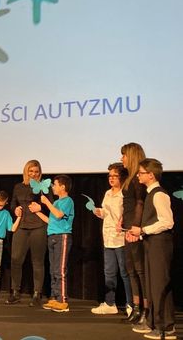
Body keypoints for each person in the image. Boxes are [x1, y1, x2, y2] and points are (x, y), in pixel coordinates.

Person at [130, 159, 175, 339]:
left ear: (151, 175)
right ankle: (154, 322)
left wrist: (143, 230)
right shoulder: (150, 194)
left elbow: (167, 222)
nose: (138, 175)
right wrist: (140, 233)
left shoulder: (159, 194)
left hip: (160, 245)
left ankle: (166, 327)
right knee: (151, 285)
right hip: (151, 243)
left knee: (159, 285)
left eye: (141, 172)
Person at [6, 159, 50, 306]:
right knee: (15, 259)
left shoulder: (43, 188)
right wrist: (15, 209)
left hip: (38, 226)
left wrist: (40, 208)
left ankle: (37, 294)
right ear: (26, 171)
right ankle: (15, 292)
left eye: (36, 172)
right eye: (31, 171)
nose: (33, 174)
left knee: (37, 261)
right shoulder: (18, 187)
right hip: (22, 227)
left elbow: (51, 205)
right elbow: (13, 203)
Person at [91, 163, 133, 315]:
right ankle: (110, 303)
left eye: (115, 176)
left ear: (122, 177)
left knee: (124, 272)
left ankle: (131, 304)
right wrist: (99, 212)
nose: (111, 178)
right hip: (108, 237)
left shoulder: (125, 194)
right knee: (109, 272)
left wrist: (122, 220)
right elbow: (106, 213)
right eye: (110, 176)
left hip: (121, 237)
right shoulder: (108, 193)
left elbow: (127, 213)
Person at [33, 174, 74, 313]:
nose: (52, 187)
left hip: (62, 236)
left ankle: (62, 300)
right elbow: (51, 220)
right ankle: (55, 297)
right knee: (53, 270)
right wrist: (38, 212)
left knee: (60, 270)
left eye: (55, 185)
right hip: (52, 236)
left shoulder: (67, 201)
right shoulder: (56, 203)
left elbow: (58, 215)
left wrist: (46, 203)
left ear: (63, 187)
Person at [120, 142, 148, 324]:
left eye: (124, 155)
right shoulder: (129, 178)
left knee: (140, 270)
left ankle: (146, 309)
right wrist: (122, 221)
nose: (121, 158)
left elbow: (140, 203)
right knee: (131, 270)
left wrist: (135, 227)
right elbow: (128, 205)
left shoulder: (139, 178)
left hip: (135, 230)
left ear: (131, 156)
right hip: (127, 228)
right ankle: (136, 308)